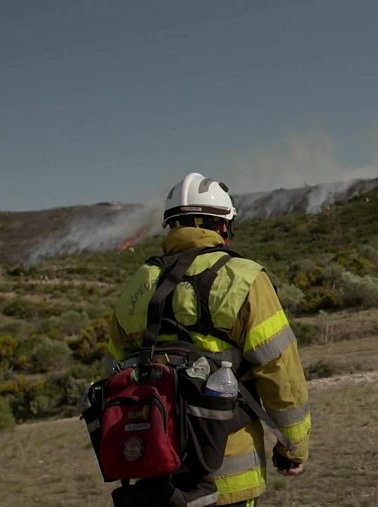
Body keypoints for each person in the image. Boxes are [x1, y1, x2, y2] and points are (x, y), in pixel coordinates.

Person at [108, 172, 311, 506]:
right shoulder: (245, 279)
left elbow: (116, 375)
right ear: (223, 227)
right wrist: (293, 447)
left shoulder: (137, 285)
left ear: (171, 226)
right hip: (228, 475)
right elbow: (281, 372)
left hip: (155, 472)